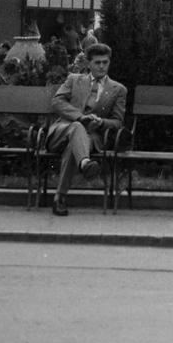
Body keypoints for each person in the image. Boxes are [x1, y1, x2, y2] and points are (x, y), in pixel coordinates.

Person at [45, 43, 126, 216]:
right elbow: (57, 102)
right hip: (62, 131)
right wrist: (80, 117)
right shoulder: (74, 79)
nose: (102, 66)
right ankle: (85, 163)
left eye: (105, 62)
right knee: (76, 126)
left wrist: (101, 122)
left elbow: (118, 122)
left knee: (72, 148)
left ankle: (60, 197)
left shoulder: (118, 89)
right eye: (97, 63)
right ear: (89, 64)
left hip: (89, 137)